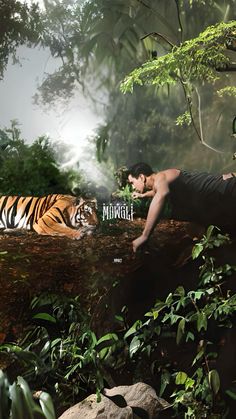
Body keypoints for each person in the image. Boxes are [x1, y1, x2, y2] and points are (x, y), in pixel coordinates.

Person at [127, 162, 236, 253]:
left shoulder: (160, 177)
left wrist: (145, 235)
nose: (132, 186)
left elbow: (161, 194)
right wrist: (143, 195)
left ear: (141, 177)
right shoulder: (160, 182)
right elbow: (156, 192)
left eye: (132, 182)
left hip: (227, 190)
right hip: (223, 197)